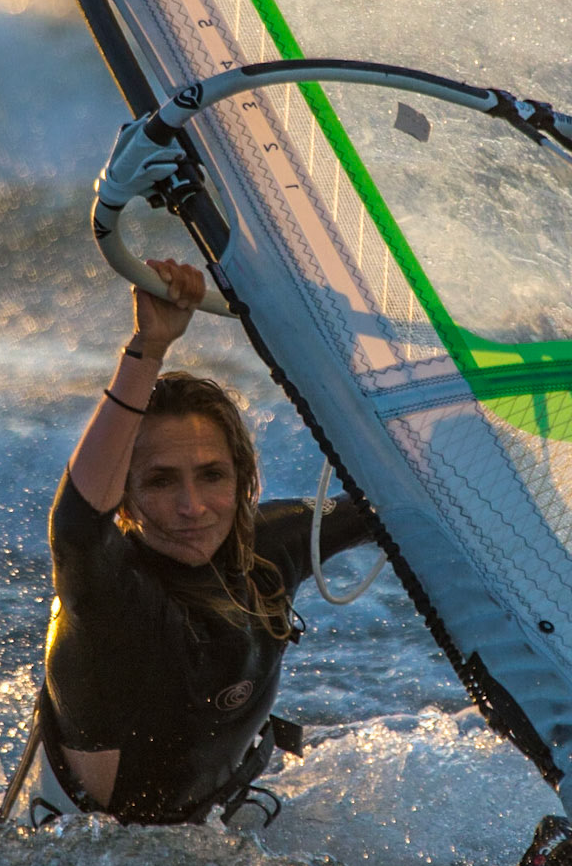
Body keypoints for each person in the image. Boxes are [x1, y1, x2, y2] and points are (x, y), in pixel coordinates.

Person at [34, 258, 374, 827]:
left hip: (226, 814)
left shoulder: (267, 547)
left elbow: (393, 507)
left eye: (212, 475)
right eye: (161, 481)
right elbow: (75, 526)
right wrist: (148, 348)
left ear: (242, 478)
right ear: (125, 495)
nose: (193, 507)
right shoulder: (110, 597)